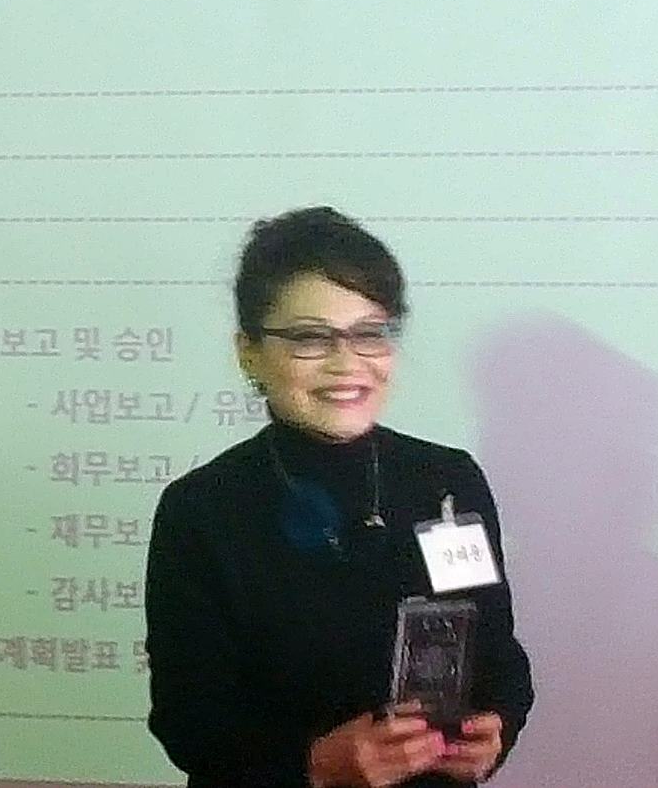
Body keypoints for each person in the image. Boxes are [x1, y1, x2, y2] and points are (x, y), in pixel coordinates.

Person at [144, 207, 533, 788]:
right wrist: (317, 765)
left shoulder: (446, 481)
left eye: (369, 334)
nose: (347, 363)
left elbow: (498, 653)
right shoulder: (203, 510)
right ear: (249, 352)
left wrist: (495, 727)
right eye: (310, 338)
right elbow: (187, 720)